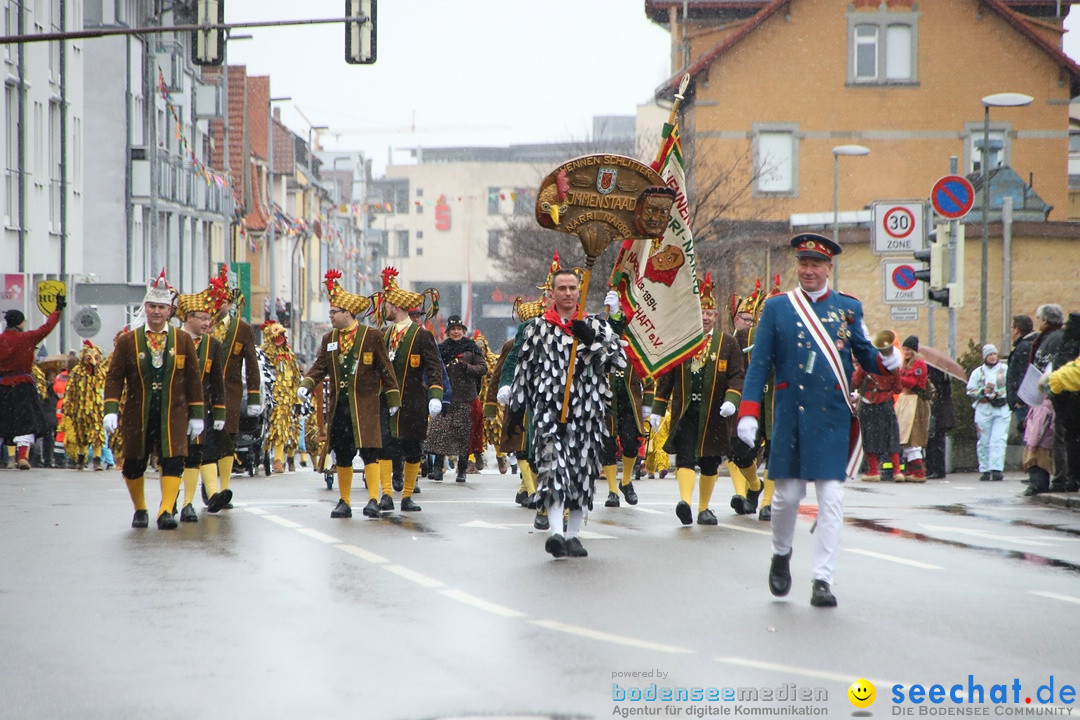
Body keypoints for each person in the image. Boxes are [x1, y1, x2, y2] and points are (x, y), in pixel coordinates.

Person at [735, 233, 900, 607]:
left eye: (816, 265)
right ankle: (781, 552)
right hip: (792, 416)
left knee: (832, 499)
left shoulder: (847, 308)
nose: (808, 271)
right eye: (803, 264)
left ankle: (822, 579)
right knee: (787, 498)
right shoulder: (777, 308)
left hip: (831, 416)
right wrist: (749, 413)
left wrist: (888, 360)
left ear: (829, 268)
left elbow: (865, 354)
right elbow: (759, 364)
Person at [507, 266, 625, 558]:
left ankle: (573, 535)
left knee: (582, 473)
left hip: (587, 412)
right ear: (552, 293)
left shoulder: (595, 325)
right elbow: (525, 367)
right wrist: (515, 407)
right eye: (562, 289)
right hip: (549, 410)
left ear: (579, 291)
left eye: (573, 288)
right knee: (553, 469)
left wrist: (591, 340)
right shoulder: (537, 328)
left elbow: (619, 361)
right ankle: (556, 533)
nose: (569, 293)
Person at [103, 271, 204, 529]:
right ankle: (140, 509)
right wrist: (111, 409)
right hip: (139, 411)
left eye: (161, 307)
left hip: (174, 412)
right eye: (152, 306)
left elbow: (194, 379)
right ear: (145, 308)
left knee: (173, 459)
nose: (156, 312)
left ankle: (165, 510)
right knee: (135, 461)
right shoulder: (128, 340)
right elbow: (115, 377)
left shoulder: (182, 339)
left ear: (170, 310)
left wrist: (197, 414)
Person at [300, 270, 399, 518]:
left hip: (365, 406)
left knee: (370, 451)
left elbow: (386, 369)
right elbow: (320, 366)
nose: (330, 316)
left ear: (348, 313)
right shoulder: (328, 338)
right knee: (343, 454)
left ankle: (373, 499)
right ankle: (344, 501)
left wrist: (393, 397)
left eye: (334, 312)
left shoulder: (372, 336)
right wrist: (307, 384)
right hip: (339, 408)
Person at [649, 273, 744, 525]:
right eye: (701, 311)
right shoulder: (680, 341)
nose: (705, 316)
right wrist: (658, 407)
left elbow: (737, 375)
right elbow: (666, 376)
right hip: (686, 410)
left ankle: (704, 508)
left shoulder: (728, 343)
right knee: (685, 456)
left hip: (714, 412)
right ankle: (684, 502)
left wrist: (732, 400)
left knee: (710, 461)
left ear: (716, 317)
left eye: (710, 313)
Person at [374, 267, 444, 512]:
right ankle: (385, 494)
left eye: (388, 304)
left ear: (397, 307)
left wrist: (436, 395)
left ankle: (406, 496)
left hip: (414, 401)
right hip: (386, 401)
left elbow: (435, 367)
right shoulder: (383, 334)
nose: (385, 309)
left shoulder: (421, 336)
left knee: (413, 448)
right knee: (385, 446)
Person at [175, 282, 231, 521]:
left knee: (204, 451)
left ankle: (209, 494)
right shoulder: (173, 340)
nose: (209, 323)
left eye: (210, 318)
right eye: (203, 318)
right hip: (176, 408)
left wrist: (219, 413)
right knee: (178, 455)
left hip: (204, 409)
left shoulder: (213, 345)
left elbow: (218, 382)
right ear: (188, 318)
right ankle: (174, 501)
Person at [211, 266, 262, 501]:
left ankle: (224, 487)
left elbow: (252, 364)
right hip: (205, 392)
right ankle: (208, 483)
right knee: (204, 439)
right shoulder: (203, 325)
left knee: (227, 438)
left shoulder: (242, 329)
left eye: (222, 301)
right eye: (214, 300)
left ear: (230, 304)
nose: (216, 306)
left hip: (231, 392)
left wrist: (253, 396)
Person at [0, 300, 65, 470]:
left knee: (2, 420)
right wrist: (57, 311)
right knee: (26, 421)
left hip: (2, 385)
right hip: (22, 384)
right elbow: (46, 328)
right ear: (20, 323)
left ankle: (6, 457)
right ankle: (22, 456)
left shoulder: (1, 340)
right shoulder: (26, 338)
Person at [423, 315, 486, 482]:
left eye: (459, 329)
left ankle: (462, 470)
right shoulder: (442, 349)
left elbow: (482, 368)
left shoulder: (471, 348)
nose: (456, 332)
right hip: (447, 398)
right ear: (448, 332)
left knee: (463, 435)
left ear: (463, 331)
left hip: (466, 398)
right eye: (453, 330)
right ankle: (437, 468)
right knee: (439, 433)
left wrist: (467, 367)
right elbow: (434, 368)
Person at [601, 288, 645, 509]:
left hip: (629, 399)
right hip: (607, 398)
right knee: (607, 445)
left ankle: (626, 481)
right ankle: (611, 490)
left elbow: (648, 371)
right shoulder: (605, 332)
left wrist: (650, 402)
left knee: (630, 443)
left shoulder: (637, 341)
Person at [1030, 304, 1066, 488]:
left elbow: (1042, 368)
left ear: (1045, 320)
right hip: (1053, 395)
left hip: (1048, 397)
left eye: (1039, 318)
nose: (1038, 322)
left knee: (1042, 439)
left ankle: (1045, 481)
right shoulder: (1057, 337)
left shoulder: (1050, 339)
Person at [260, 322, 302, 473]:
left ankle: (279, 460)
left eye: (283, 334)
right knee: (267, 427)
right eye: (278, 334)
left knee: (282, 428)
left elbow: (296, 378)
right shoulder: (264, 352)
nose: (281, 337)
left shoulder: (289, 355)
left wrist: (297, 400)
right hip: (268, 397)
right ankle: (264, 454)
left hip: (286, 399)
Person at [852, 357, 902, 482]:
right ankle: (897, 471)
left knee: (869, 436)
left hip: (869, 402)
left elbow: (855, 382)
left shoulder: (866, 364)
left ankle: (873, 471)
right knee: (891, 435)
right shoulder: (893, 366)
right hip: (886, 404)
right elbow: (898, 388)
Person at [965, 344, 1010, 482]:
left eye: (994, 354)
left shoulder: (1005, 369)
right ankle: (984, 469)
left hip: (1001, 408)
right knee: (984, 440)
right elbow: (970, 390)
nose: (992, 357)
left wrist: (999, 394)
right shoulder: (978, 372)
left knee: (998, 439)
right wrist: (982, 392)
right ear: (985, 357)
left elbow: (1011, 387)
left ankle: (996, 469)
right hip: (984, 409)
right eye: (989, 355)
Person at [1045, 313, 1080, 492]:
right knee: (1069, 439)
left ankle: (1072, 478)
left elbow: (1071, 372)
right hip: (1068, 400)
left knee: (1070, 440)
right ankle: (1072, 477)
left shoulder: (1070, 346)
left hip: (1070, 400)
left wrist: (1051, 383)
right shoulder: (1067, 344)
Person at [62, 341, 108, 471]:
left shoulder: (102, 373)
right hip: (80, 409)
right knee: (81, 434)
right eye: (89, 358)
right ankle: (81, 458)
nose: (93, 361)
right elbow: (70, 390)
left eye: (96, 357)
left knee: (98, 434)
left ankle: (97, 461)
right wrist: (68, 406)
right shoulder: (77, 372)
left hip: (98, 410)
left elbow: (107, 388)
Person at [895, 335, 930, 482]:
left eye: (909, 349)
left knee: (913, 437)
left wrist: (897, 377)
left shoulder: (919, 364)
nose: (906, 351)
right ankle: (911, 470)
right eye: (905, 349)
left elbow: (912, 382)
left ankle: (919, 472)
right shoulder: (906, 364)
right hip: (905, 400)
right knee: (904, 437)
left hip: (915, 401)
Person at [1006, 315, 1036, 434]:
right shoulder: (1029, 344)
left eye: (1012, 328)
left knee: (1028, 438)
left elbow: (1023, 374)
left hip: (1024, 404)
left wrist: (1020, 400)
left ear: (1017, 329)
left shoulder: (1024, 347)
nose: (1012, 332)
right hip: (1025, 402)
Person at [924, 366, 954, 479]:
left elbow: (937, 395)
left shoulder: (939, 380)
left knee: (936, 442)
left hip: (939, 415)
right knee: (933, 442)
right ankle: (933, 468)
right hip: (939, 415)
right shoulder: (941, 378)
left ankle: (937, 469)